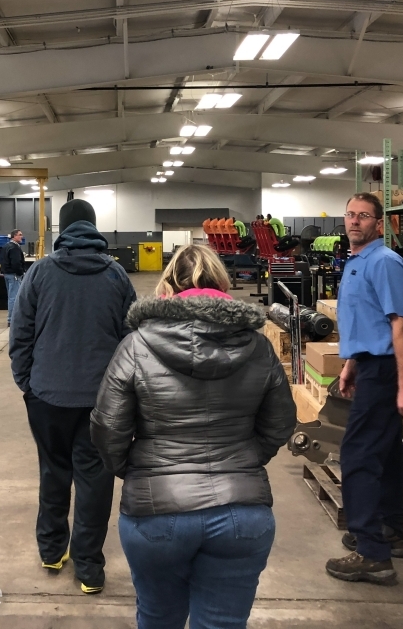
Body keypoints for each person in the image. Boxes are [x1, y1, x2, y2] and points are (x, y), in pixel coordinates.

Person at [91, 244, 296, 628]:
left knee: (158, 617)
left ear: (167, 287)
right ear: (223, 284)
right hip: (242, 513)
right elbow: (281, 422)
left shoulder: (136, 345)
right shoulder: (258, 346)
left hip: (156, 512)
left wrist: (137, 470)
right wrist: (246, 459)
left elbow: (107, 428)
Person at [9, 199, 136, 595]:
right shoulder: (116, 275)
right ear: (94, 228)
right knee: (95, 481)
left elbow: (21, 331)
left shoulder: (40, 272)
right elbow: (131, 340)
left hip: (47, 395)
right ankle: (89, 568)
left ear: (62, 230)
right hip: (102, 400)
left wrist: (26, 382)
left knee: (53, 471)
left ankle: (51, 551)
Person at [325, 192, 403, 587]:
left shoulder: (384, 262)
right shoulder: (357, 261)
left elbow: (400, 324)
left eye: (363, 216)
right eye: (350, 214)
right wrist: (350, 364)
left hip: (385, 371)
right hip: (370, 366)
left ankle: (371, 553)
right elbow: (367, 321)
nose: (355, 221)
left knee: (358, 456)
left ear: (378, 224)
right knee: (388, 453)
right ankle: (389, 532)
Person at [0, 228, 27, 326]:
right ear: (14, 236)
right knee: (14, 298)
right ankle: (12, 320)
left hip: (7, 274)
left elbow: (2, 260)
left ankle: (11, 319)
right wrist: (21, 272)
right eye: (20, 234)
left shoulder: (6, 246)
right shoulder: (14, 248)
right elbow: (16, 263)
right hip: (14, 275)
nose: (21, 236)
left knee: (11, 297)